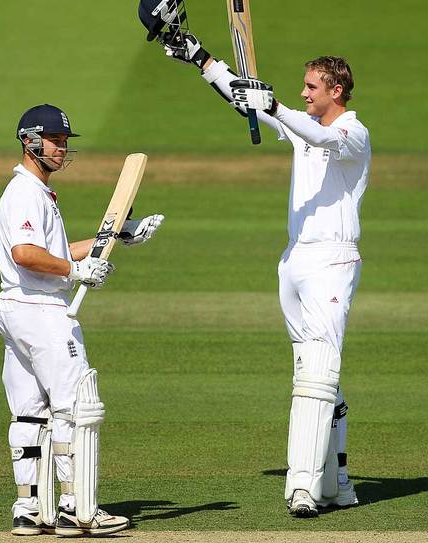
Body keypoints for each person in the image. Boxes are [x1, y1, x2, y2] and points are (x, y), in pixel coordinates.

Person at [138, 0, 369, 518]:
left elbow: (316, 132)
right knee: (314, 369)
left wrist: (277, 107)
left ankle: (303, 488)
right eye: (302, 87)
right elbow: (246, 99)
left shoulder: (352, 133)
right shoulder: (303, 125)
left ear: (336, 91)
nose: (304, 94)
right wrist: (199, 58)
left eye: (312, 88)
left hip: (333, 259)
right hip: (294, 262)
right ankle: (340, 481)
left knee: (318, 372)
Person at [0, 103, 164, 536]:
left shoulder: (37, 193)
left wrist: (114, 237)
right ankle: (76, 508)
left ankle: (29, 509)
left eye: (64, 141)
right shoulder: (25, 192)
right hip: (42, 310)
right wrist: (74, 273)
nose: (61, 148)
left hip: (18, 308)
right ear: (30, 140)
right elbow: (26, 255)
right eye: (55, 140)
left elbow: (54, 250)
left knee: (29, 412)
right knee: (75, 407)